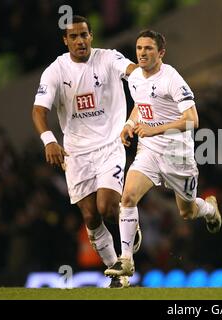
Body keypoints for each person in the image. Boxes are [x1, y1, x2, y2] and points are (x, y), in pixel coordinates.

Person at [32, 15, 141, 288]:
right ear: (65, 40)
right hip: (76, 154)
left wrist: (139, 77)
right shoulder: (55, 71)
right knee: (90, 217)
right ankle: (117, 274)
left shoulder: (108, 58)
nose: (80, 41)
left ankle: (131, 227)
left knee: (106, 207)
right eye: (74, 37)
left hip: (110, 145)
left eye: (84, 35)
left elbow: (133, 71)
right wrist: (49, 140)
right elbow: (38, 111)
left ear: (92, 36)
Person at [104, 30, 222, 277]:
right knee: (127, 198)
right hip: (149, 150)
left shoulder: (172, 79)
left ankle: (210, 208)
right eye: (139, 48)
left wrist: (154, 128)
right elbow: (140, 103)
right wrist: (128, 124)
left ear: (161, 53)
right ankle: (126, 259)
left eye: (148, 48)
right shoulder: (135, 77)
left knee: (186, 212)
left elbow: (193, 120)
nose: (143, 53)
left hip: (177, 154)